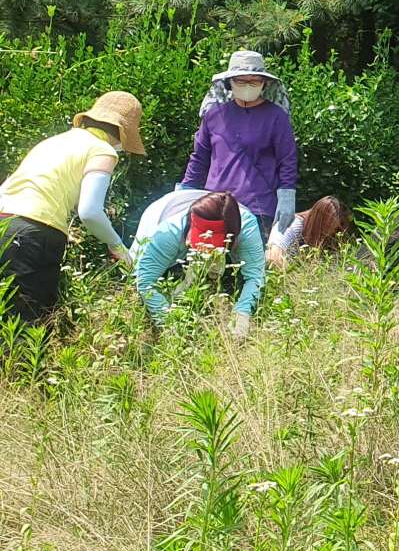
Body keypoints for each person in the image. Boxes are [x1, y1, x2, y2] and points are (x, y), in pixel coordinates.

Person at [0, 92, 146, 324]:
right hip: (33, 232)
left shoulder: (53, 142)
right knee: (27, 326)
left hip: (3, 222)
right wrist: (117, 245)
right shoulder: (102, 150)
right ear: (121, 133)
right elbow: (89, 211)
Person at [182, 51, 300, 241]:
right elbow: (199, 158)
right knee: (207, 264)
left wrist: (287, 197)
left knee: (251, 268)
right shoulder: (214, 116)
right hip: (214, 206)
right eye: (241, 81)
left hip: (258, 207)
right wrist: (184, 192)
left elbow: (287, 160)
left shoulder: (276, 116)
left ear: (264, 83)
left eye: (254, 81)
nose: (248, 86)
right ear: (229, 83)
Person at [133, 191, 268, 341]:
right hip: (164, 209)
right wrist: (170, 324)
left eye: (215, 246)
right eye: (201, 240)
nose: (206, 249)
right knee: (135, 277)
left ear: (233, 236)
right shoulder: (168, 232)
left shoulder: (247, 226)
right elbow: (145, 281)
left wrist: (242, 314)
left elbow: (255, 276)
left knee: (228, 281)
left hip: (229, 226)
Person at [273, 196, 357, 261]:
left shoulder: (333, 235)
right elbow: (273, 256)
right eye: (329, 227)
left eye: (337, 228)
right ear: (320, 222)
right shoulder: (293, 224)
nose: (332, 232)